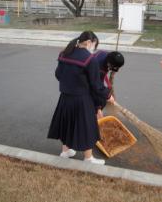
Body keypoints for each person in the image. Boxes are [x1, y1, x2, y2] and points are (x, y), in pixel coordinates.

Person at [48, 31, 114, 165]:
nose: (93, 48)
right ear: (89, 42)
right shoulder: (90, 59)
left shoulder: (64, 53)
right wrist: (107, 95)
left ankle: (66, 151)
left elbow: (58, 74)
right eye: (94, 45)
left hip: (65, 97)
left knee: (67, 124)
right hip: (82, 99)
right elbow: (96, 84)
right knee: (87, 127)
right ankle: (88, 158)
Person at [93, 50, 125, 119]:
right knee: (101, 100)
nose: (117, 70)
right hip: (82, 83)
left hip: (94, 79)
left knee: (103, 97)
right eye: (116, 67)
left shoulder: (106, 54)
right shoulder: (98, 68)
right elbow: (96, 86)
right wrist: (98, 108)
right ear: (109, 64)